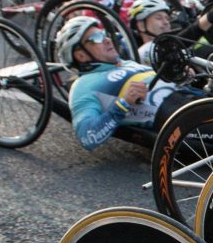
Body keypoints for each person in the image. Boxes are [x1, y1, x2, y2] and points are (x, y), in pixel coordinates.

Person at [57, 17, 192, 151]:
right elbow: (87, 137)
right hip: (176, 117)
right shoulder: (83, 86)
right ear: (81, 55)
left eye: (104, 34)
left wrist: (180, 76)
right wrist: (123, 103)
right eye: (97, 38)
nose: (107, 39)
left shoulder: (126, 63)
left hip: (190, 97)